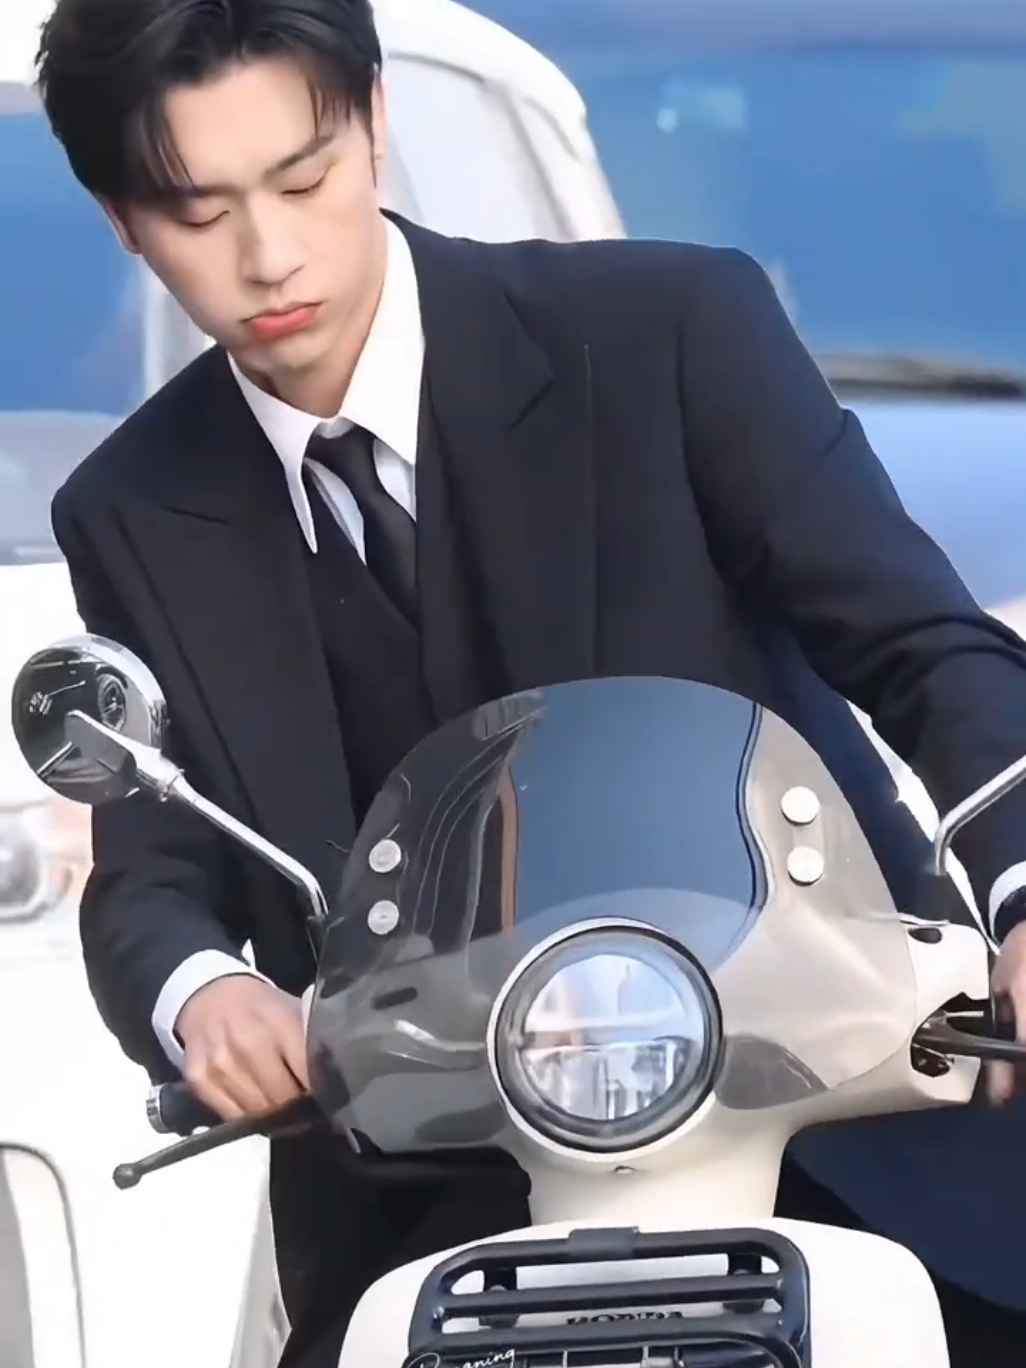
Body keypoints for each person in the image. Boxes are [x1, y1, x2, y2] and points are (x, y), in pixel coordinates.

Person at [32, 0, 1026, 1362]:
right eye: (198, 212)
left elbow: (924, 647)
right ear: (120, 219)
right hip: (429, 1220)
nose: (268, 254)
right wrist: (202, 991)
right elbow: (153, 861)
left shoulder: (668, 332)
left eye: (304, 179)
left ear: (375, 123)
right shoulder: (130, 508)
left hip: (846, 1144)